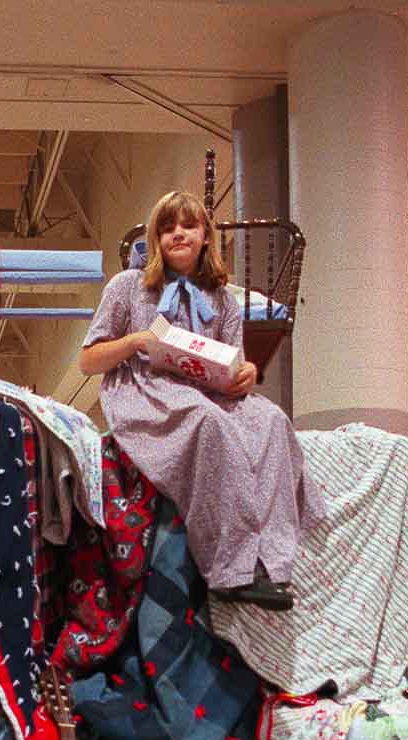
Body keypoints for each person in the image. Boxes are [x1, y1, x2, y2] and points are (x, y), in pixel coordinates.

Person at [78, 190, 321, 611]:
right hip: (146, 390)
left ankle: (274, 563)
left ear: (205, 235)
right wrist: (136, 340)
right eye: (167, 227)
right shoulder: (127, 287)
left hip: (207, 391)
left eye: (187, 226)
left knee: (272, 420)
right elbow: (87, 360)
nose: (178, 234)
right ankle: (229, 570)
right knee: (209, 423)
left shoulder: (224, 299)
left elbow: (235, 367)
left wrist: (243, 376)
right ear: (156, 238)